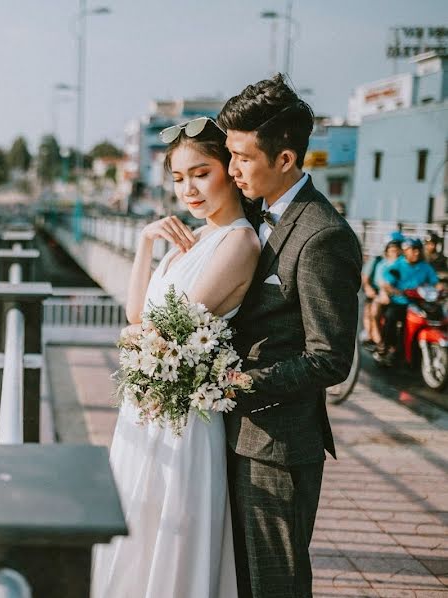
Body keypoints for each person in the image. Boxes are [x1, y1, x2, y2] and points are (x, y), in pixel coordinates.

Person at [91, 115, 259, 597]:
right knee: (137, 522)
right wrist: (146, 242)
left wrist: (138, 333)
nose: (189, 189)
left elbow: (160, 329)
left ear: (229, 169)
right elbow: (136, 311)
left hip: (183, 420)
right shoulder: (191, 239)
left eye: (201, 173)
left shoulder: (239, 241)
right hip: (148, 408)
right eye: (180, 178)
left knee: (170, 531)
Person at [219, 74, 362, 597]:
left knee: (274, 583)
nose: (232, 170)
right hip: (232, 432)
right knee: (237, 577)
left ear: (285, 160)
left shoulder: (323, 236)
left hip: (278, 447)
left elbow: (329, 359)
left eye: (242, 157)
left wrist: (239, 382)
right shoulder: (249, 214)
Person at [378, 238, 439, 363]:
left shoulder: (425, 267)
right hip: (400, 302)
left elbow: (436, 283)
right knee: (391, 317)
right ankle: (388, 346)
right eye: (413, 250)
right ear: (406, 251)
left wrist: (440, 289)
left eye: (418, 250)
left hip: (418, 304)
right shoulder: (398, 265)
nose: (416, 253)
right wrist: (394, 290)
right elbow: (387, 283)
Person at [363, 238, 403, 349]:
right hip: (383, 295)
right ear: (387, 252)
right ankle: (378, 340)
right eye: (392, 250)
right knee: (374, 311)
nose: (395, 253)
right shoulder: (382, 265)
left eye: (397, 250)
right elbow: (381, 283)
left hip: (400, 298)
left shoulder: (403, 264)